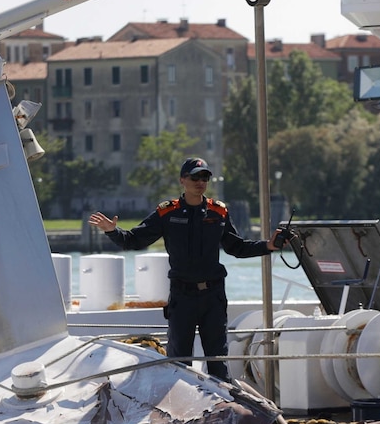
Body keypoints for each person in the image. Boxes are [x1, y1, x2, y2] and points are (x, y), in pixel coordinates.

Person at [89, 157, 285, 382]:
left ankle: (220, 411)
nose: (200, 182)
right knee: (179, 364)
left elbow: (237, 247)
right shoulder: (167, 212)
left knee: (217, 362)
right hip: (182, 297)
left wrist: (268, 245)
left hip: (213, 296)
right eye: (195, 177)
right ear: (183, 180)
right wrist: (112, 231)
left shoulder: (218, 212)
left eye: (204, 177)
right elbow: (132, 241)